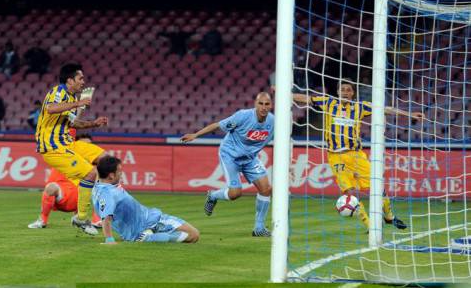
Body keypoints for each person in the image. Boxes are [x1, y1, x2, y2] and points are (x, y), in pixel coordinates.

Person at [288, 78, 424, 231]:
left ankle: (389, 216)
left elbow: (385, 109)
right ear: (338, 91)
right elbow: (306, 98)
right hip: (336, 156)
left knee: (377, 185)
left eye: (349, 90)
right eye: (343, 89)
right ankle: (370, 226)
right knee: (349, 193)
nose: (345, 92)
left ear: (353, 93)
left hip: (357, 155)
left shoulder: (360, 107)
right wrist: (285, 93)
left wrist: (410, 114)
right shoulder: (328, 102)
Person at [181, 92, 274, 237]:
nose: (263, 107)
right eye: (260, 103)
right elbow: (218, 125)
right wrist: (195, 135)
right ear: (255, 104)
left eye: (267, 104)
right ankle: (213, 195)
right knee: (235, 193)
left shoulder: (273, 122)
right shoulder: (243, 116)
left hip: (250, 158)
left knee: (266, 189)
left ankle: (259, 228)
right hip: (230, 155)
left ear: (271, 105)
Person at [35, 63, 109, 235]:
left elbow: (73, 123)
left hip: (67, 144)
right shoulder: (58, 92)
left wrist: (94, 123)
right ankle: (81, 218)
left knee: (99, 167)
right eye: (80, 78)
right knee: (91, 174)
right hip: (53, 147)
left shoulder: (69, 99)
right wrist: (79, 103)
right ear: (70, 80)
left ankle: (86, 215)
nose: (83, 82)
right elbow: (51, 108)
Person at [92, 155, 200, 244]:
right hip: (151, 221)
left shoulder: (100, 186)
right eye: (119, 171)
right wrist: (109, 240)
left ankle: (149, 235)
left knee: (190, 234)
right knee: (193, 235)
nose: (121, 174)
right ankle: (149, 237)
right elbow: (106, 218)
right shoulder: (109, 193)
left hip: (137, 228)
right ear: (111, 175)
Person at [28, 134, 101, 233]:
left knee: (101, 188)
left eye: (89, 145)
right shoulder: (63, 156)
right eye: (83, 144)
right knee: (51, 187)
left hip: (82, 199)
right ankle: (42, 221)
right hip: (63, 196)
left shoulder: (93, 165)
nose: (86, 147)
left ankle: (95, 221)